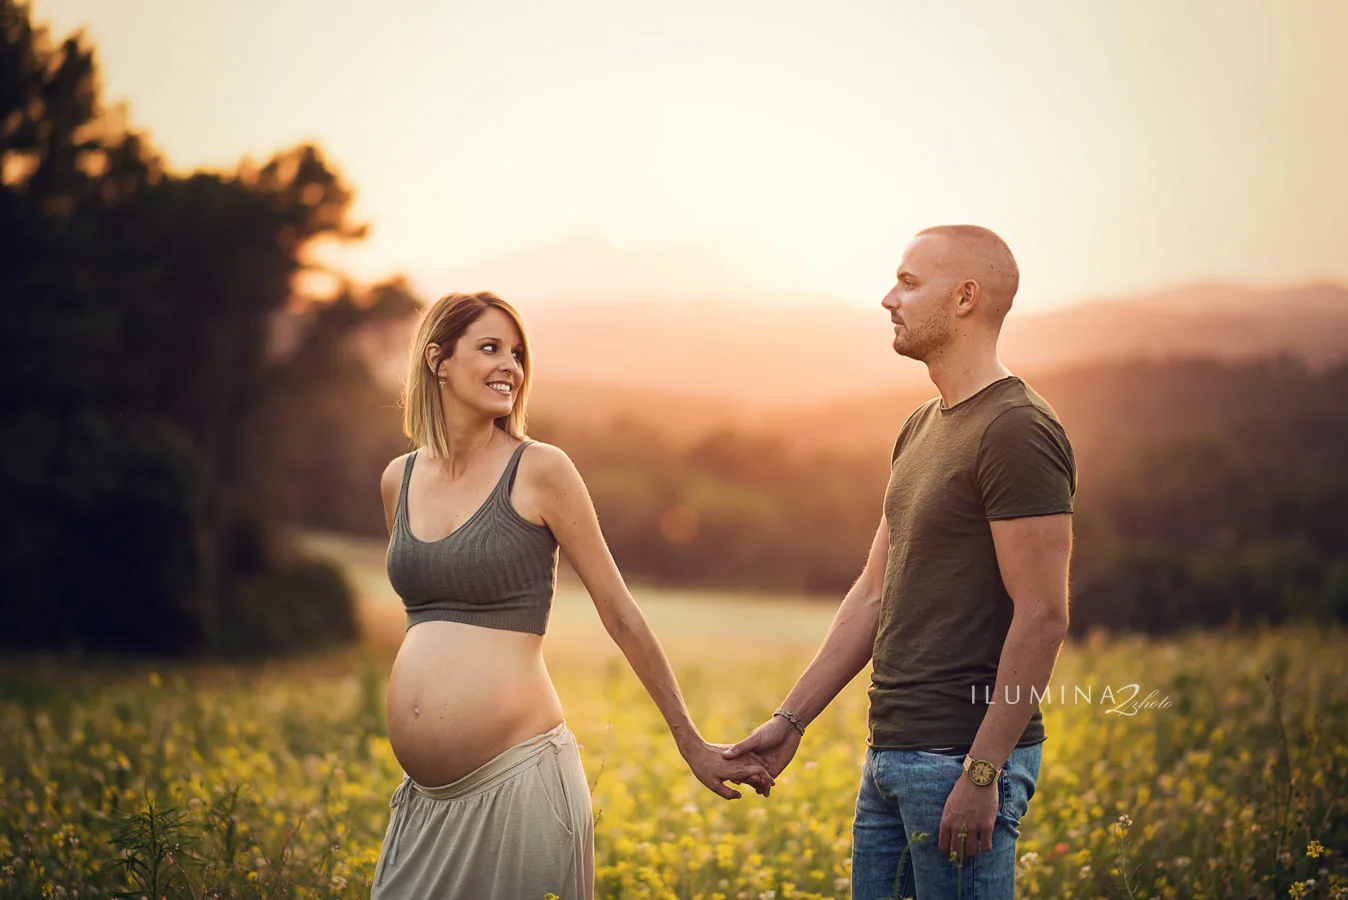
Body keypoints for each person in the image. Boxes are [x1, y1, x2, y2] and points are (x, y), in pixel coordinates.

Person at [371, 291, 771, 900]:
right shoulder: (396, 480)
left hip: (520, 786)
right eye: (489, 348)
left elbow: (619, 611)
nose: (510, 365)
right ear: (438, 360)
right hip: (427, 805)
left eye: (518, 353)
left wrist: (691, 742)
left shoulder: (541, 470)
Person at [725, 225, 1076, 899]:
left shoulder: (1018, 431)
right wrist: (791, 721)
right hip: (889, 756)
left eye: (910, 283)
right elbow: (870, 595)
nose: (890, 298)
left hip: (959, 762)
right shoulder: (921, 426)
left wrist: (983, 774)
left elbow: (1043, 615)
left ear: (966, 297)